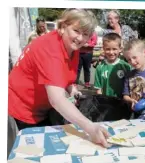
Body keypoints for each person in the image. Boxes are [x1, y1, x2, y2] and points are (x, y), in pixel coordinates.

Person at [8, 8, 110, 146]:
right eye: (76, 31)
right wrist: (90, 127)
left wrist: (71, 89)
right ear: (62, 27)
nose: (80, 38)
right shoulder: (50, 49)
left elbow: (62, 75)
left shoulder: (71, 47)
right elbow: (56, 99)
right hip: (22, 110)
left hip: (42, 110)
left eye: (85, 34)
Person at [94, 33, 131, 98]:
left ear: (120, 49)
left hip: (122, 103)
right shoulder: (99, 67)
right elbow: (98, 89)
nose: (111, 52)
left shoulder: (126, 66)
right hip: (106, 103)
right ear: (103, 49)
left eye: (114, 49)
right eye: (108, 49)